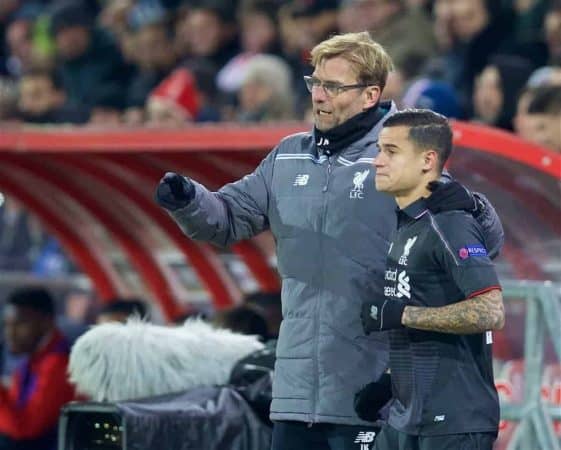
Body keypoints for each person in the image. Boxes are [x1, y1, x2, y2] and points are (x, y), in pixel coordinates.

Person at [155, 32, 504, 450]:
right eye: (315, 83)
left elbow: (473, 238)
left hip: (377, 390)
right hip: (295, 393)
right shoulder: (288, 156)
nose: (318, 96)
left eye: (333, 87)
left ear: (370, 94)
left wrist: (477, 208)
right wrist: (188, 199)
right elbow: (228, 218)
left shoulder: (396, 156)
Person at [361, 109, 504, 450]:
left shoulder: (449, 224)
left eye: (391, 151)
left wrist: (402, 315)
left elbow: (490, 311)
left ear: (428, 160)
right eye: (379, 150)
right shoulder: (408, 224)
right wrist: (389, 382)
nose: (377, 161)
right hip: (407, 415)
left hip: (453, 420)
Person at [0, 287, 75, 450]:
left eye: (20, 324)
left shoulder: (59, 365)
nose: (10, 333)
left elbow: (25, 430)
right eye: (7, 325)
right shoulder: (31, 363)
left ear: (46, 323)